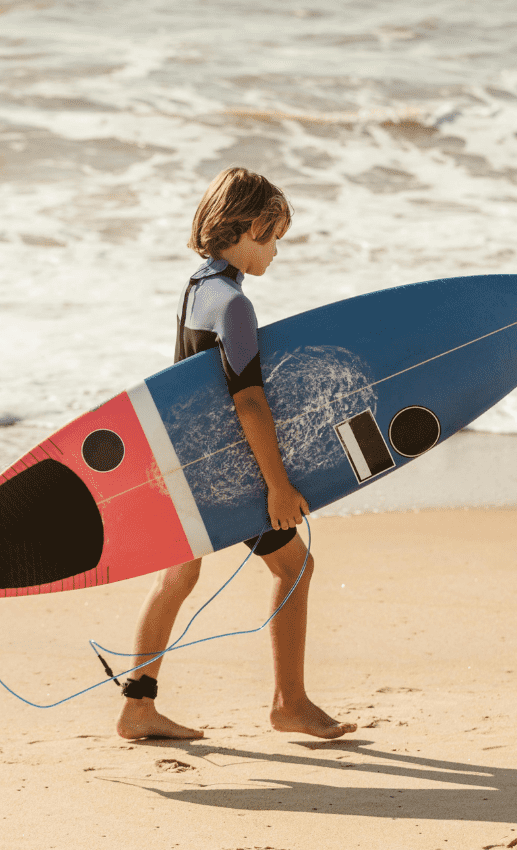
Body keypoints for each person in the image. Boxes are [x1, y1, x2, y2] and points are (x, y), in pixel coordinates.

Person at [115, 167, 357, 741]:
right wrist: (276, 485)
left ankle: (138, 706)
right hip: (229, 472)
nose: (276, 251)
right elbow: (247, 400)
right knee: (295, 567)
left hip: (184, 462)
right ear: (247, 228)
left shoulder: (199, 287)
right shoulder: (235, 306)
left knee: (176, 579)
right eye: (272, 237)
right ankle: (289, 703)